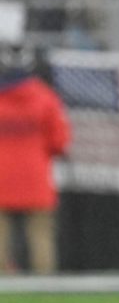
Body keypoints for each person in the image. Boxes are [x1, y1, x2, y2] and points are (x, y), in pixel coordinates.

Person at [0, 42, 71, 274]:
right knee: (41, 235)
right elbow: (59, 141)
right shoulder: (45, 97)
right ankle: (45, 286)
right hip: (35, 174)